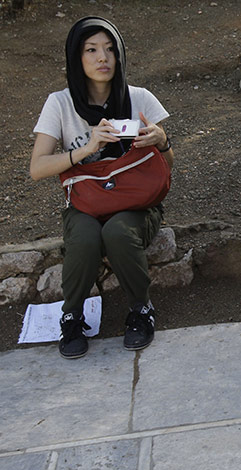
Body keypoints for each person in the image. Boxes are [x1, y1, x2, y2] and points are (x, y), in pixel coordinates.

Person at [30, 16, 174, 358]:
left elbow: (167, 169)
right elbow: (37, 168)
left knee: (119, 233)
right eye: (91, 50)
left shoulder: (140, 98)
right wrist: (86, 149)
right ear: (76, 58)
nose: (102, 58)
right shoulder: (60, 103)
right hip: (85, 202)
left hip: (138, 202)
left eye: (110, 49)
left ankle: (141, 310)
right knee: (84, 236)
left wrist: (162, 141)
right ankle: (72, 316)